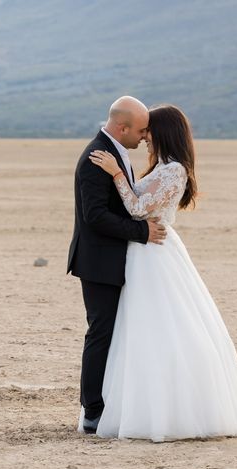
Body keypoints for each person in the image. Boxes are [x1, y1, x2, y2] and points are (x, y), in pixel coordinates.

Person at [80, 104, 237, 442]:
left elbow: (138, 208)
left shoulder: (174, 171)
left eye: (148, 130)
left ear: (162, 132)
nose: (144, 137)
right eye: (142, 130)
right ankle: (121, 405)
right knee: (136, 331)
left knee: (163, 328)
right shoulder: (158, 167)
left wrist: (117, 173)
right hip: (139, 253)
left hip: (155, 254)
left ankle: (170, 409)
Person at [67, 95, 167, 433]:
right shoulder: (95, 157)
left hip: (113, 259)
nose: (144, 136)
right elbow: (95, 216)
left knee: (115, 332)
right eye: (140, 130)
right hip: (98, 262)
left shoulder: (115, 151)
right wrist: (142, 231)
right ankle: (93, 411)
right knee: (102, 333)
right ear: (121, 127)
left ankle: (109, 404)